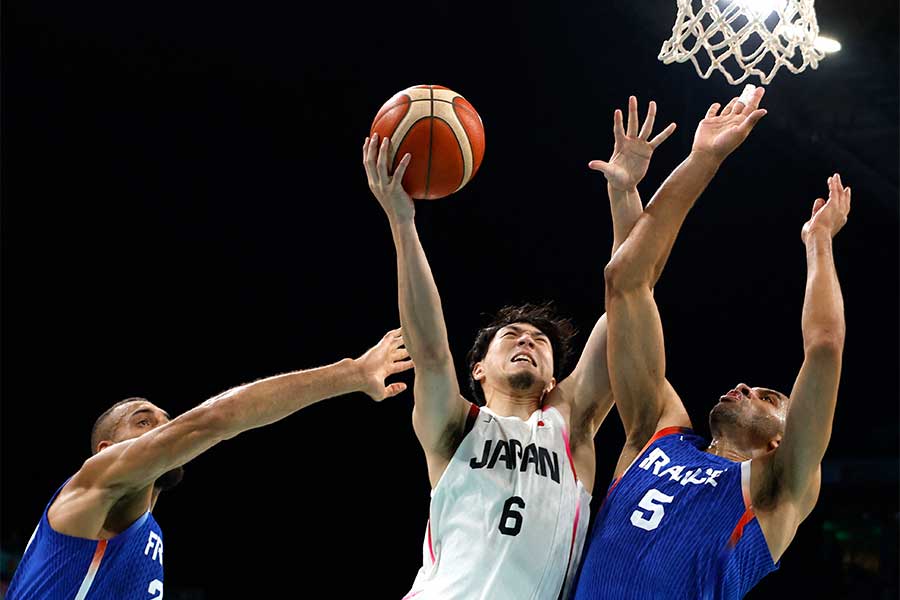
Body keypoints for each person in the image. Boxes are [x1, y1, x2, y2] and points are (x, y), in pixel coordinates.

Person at [361, 98, 676, 599]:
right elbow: (430, 350)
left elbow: (629, 299)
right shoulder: (454, 427)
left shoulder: (571, 427)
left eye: (540, 342)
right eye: (511, 337)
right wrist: (403, 223)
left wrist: (625, 197)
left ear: (554, 380)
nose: (527, 339)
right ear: (478, 371)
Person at [574, 87, 851, 599]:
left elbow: (826, 347)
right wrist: (702, 160)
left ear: (778, 441)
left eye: (769, 398)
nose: (746, 386)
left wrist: (819, 243)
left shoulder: (776, 488)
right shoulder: (656, 432)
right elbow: (626, 283)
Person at [6, 329, 414, 599]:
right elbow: (215, 420)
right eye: (144, 422)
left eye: (166, 423)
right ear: (105, 450)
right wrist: (353, 373)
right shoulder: (94, 483)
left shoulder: (146, 532)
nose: (164, 431)